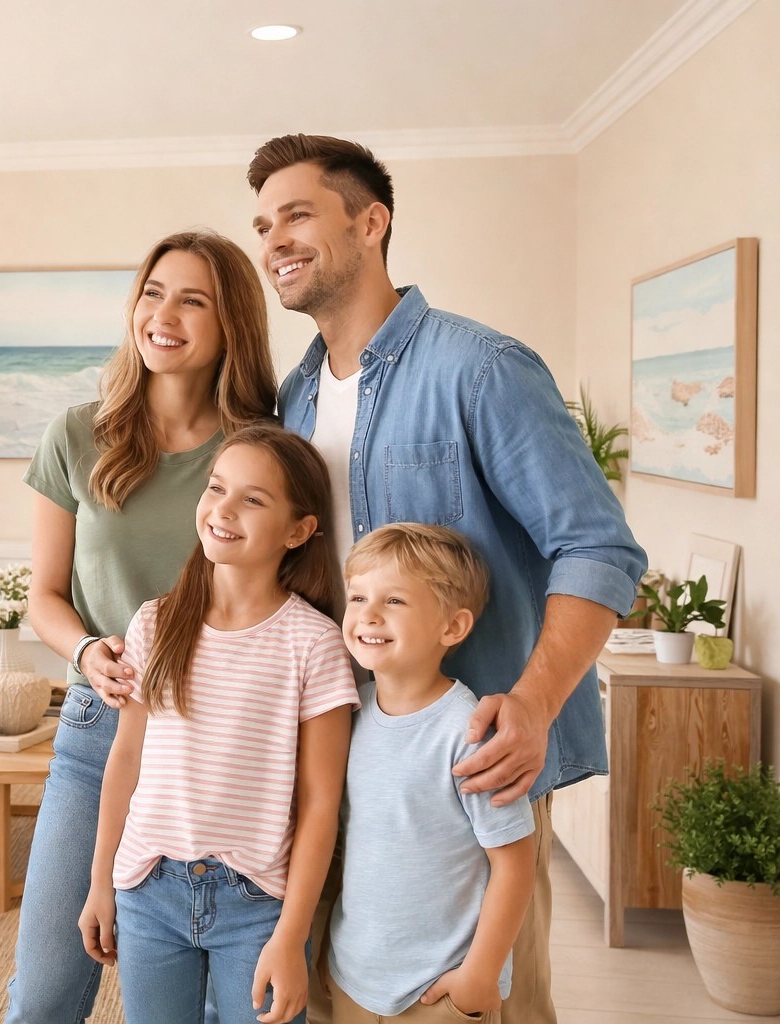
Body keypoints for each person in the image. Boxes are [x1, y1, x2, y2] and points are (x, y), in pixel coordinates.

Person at [244, 133, 648, 1024]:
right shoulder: (296, 396)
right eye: (264, 224)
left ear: (372, 222)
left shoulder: (482, 368)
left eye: (299, 214)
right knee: (344, 989)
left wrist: (536, 702)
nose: (274, 239)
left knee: (488, 1004)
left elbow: (599, 548)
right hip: (345, 753)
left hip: (468, 773)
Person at [7, 229, 279, 1023]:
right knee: (48, 991)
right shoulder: (76, 434)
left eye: (193, 299)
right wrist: (88, 649)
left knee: (193, 1004)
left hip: (222, 751)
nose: (165, 314)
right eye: (154, 293)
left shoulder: (260, 448)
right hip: (99, 735)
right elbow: (45, 596)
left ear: (231, 323)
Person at [78, 424, 357, 1024]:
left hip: (256, 904)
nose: (223, 509)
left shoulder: (314, 644)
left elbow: (319, 803)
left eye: (253, 499)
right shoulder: (155, 622)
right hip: (148, 889)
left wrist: (291, 934)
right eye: (216, 488)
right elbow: (125, 762)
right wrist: (102, 881)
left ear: (299, 530)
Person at [327, 523, 536, 1024]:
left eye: (394, 601)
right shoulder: (351, 713)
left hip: (440, 991)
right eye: (357, 597)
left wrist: (479, 977)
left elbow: (515, 864)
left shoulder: (470, 733)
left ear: (453, 627)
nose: (368, 615)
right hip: (352, 979)